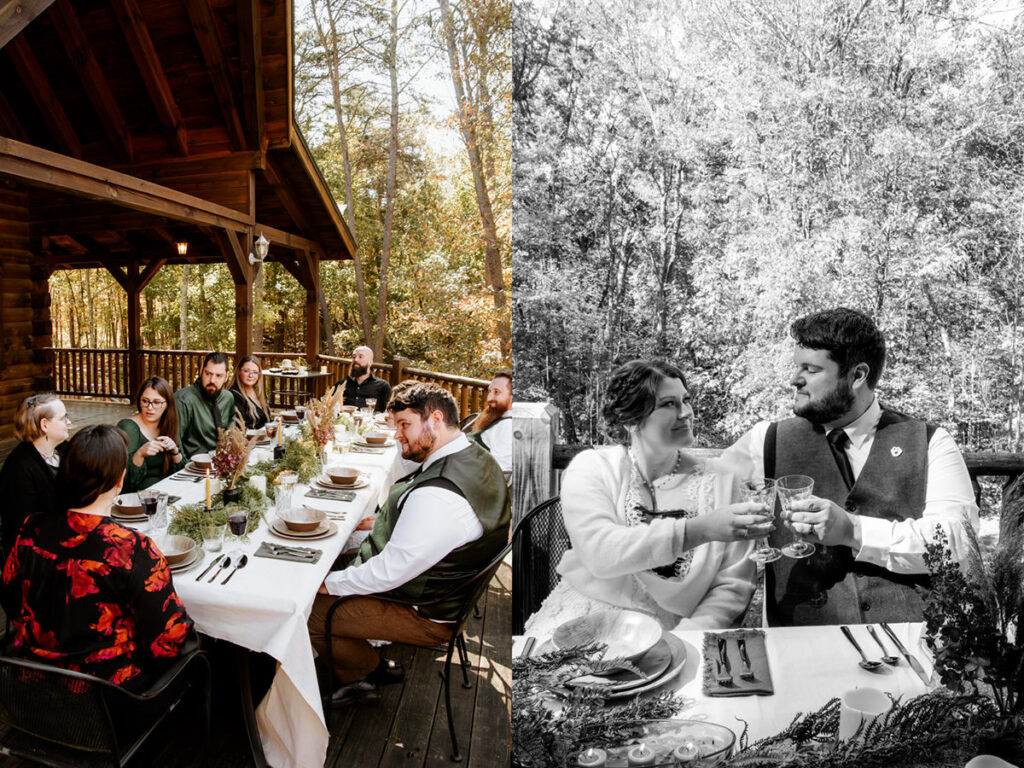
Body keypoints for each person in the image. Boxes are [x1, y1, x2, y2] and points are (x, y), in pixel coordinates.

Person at [720, 307, 979, 626]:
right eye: (797, 367)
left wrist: (854, 530)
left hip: (913, 650)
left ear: (858, 375)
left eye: (811, 370)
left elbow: (958, 545)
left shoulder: (931, 442)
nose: (794, 380)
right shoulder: (765, 440)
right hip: (800, 651)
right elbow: (699, 493)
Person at [525, 360, 765, 638]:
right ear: (631, 420)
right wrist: (701, 529)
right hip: (586, 614)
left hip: (677, 631)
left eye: (686, 400)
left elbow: (733, 584)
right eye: (668, 404)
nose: (686, 413)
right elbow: (599, 553)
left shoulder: (725, 481)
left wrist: (688, 638)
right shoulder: (592, 468)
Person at [308, 382, 510, 706]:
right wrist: (380, 522)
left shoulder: (438, 495)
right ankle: (371, 665)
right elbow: (442, 528)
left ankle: (361, 676)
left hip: (428, 612)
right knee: (340, 545)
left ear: (436, 420)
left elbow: (389, 571)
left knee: (310, 610)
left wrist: (324, 584)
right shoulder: (474, 455)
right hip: (446, 589)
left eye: (405, 425)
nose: (397, 435)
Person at [1, 424, 197, 690]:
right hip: (109, 698)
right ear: (119, 480)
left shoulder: (30, 529)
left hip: (33, 687)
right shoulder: (131, 548)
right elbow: (169, 642)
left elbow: (11, 598)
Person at [0, 394, 69, 564]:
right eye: (63, 418)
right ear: (44, 425)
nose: (68, 422)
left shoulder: (63, 450)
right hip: (35, 559)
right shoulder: (19, 468)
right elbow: (24, 528)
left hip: (64, 540)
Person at [117, 377, 185, 492]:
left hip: (167, 492)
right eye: (145, 401)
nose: (150, 407)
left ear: (167, 404)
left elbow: (183, 473)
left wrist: (175, 451)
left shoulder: (169, 425)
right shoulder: (128, 427)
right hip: (137, 498)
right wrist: (139, 454)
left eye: (157, 402)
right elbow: (123, 482)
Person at [174, 352, 236, 459]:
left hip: (221, 463)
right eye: (208, 374)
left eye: (218, 376)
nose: (212, 380)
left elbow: (232, 430)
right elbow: (175, 442)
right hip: (192, 466)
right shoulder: (183, 400)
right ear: (201, 371)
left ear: (226, 377)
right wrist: (185, 467)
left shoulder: (228, 398)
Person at [467, 371, 513, 474]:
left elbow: (502, 473)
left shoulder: (507, 427)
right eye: (490, 391)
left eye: (497, 392)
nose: (489, 398)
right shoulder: (496, 419)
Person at [331, 346, 391, 412]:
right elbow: (331, 408)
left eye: (360, 357)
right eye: (354, 357)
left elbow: (386, 413)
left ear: (370, 362)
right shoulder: (341, 384)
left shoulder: (382, 386)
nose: (356, 360)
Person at [229, 355, 272, 430]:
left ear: (259, 375)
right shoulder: (234, 395)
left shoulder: (259, 393)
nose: (250, 375)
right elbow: (241, 427)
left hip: (265, 438)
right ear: (239, 371)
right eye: (246, 371)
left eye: (255, 372)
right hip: (249, 440)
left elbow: (268, 420)